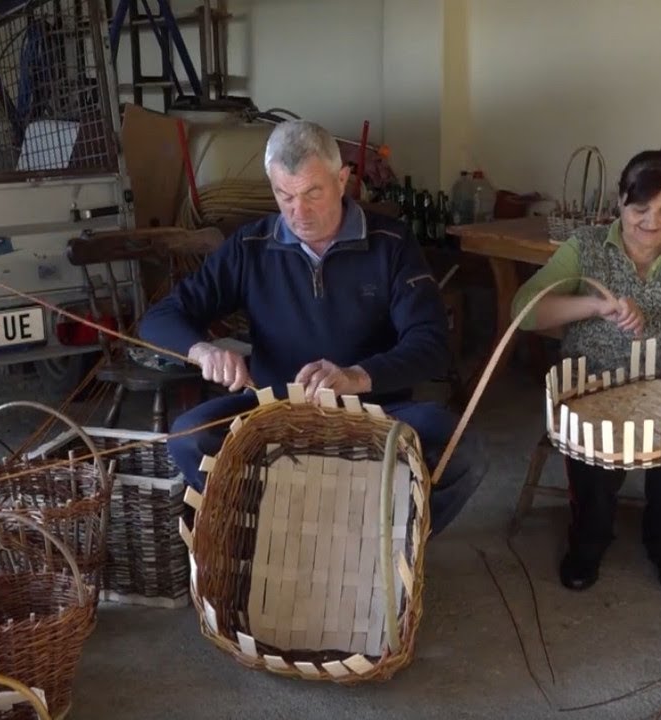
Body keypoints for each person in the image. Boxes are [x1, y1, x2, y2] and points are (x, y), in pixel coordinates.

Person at [140, 119, 486, 535]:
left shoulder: (390, 244)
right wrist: (203, 350)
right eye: (284, 195)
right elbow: (159, 318)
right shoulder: (251, 245)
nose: (297, 213)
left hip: (375, 409)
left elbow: (432, 343)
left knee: (464, 451)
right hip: (273, 406)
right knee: (189, 437)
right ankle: (269, 536)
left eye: (312, 193)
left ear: (342, 180)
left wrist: (355, 376)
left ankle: (390, 549)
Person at [510, 150, 661, 600]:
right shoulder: (585, 248)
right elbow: (525, 311)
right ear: (619, 201)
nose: (651, 223)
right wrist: (596, 305)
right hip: (595, 392)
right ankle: (589, 540)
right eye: (640, 208)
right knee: (593, 468)